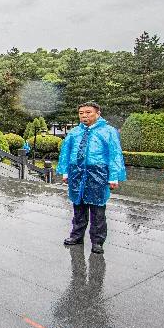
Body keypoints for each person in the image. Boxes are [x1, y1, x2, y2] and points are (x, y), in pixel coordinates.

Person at [57, 102, 126, 255]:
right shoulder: (74, 132)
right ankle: (76, 236)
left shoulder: (108, 131)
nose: (84, 115)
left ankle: (98, 241)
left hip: (98, 173)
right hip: (77, 173)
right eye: (81, 113)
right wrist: (65, 172)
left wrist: (113, 176)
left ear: (98, 113)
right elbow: (66, 152)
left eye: (88, 112)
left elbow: (114, 154)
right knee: (78, 207)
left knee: (97, 210)